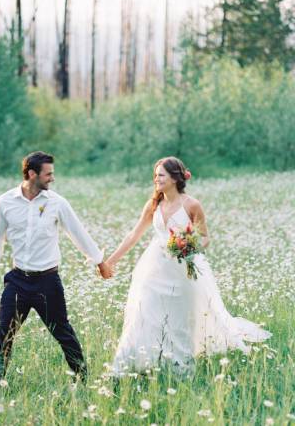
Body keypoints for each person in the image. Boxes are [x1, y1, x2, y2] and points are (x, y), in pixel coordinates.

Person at [105, 156, 271, 377]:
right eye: (155, 175)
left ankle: (179, 368)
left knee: (180, 318)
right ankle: (133, 363)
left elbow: (205, 237)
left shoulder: (191, 204)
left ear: (175, 178)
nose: (156, 179)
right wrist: (110, 261)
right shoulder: (153, 204)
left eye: (161, 175)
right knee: (145, 313)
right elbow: (134, 235)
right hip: (154, 267)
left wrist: (188, 246)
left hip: (183, 269)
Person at [0, 151, 113, 385]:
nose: (52, 178)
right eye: (48, 174)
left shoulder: (57, 203)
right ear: (32, 174)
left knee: (63, 332)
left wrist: (99, 262)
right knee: (4, 334)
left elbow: (78, 233)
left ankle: (83, 379)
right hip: (17, 280)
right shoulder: (5, 203)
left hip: (47, 281)